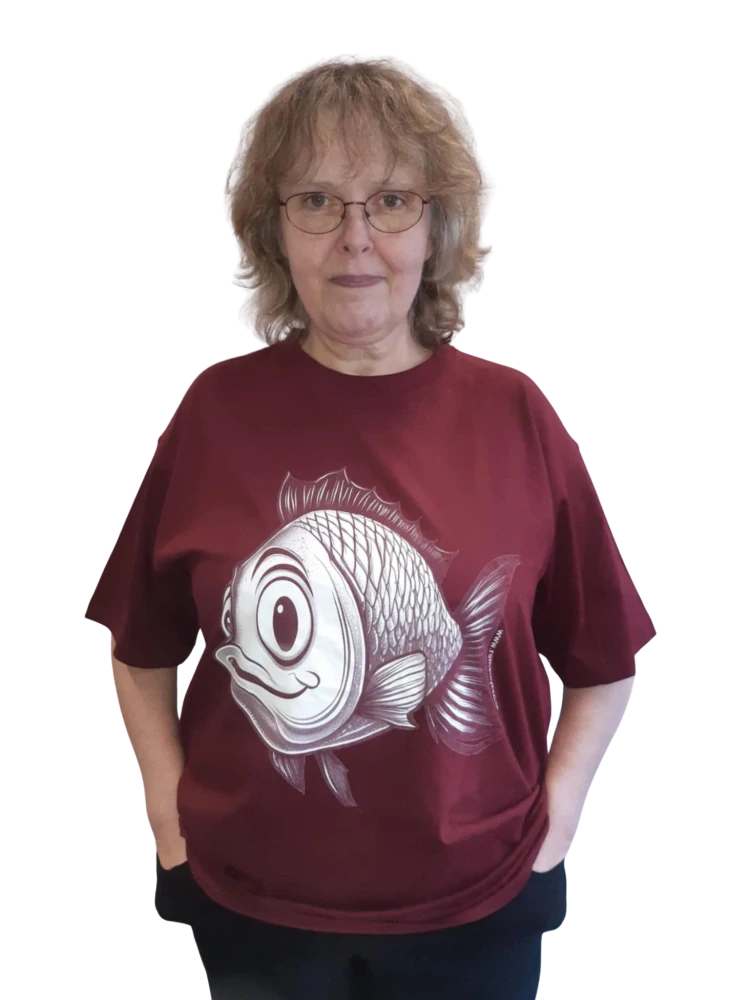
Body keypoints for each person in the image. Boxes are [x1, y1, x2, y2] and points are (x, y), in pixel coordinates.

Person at [85, 57, 655, 999]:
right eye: (316, 200)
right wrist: (166, 811)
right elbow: (139, 646)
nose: (355, 238)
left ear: (436, 227)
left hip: (479, 906)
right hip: (245, 903)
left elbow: (605, 659)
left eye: (390, 200)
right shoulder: (213, 410)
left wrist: (562, 817)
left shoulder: (517, 413)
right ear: (276, 230)